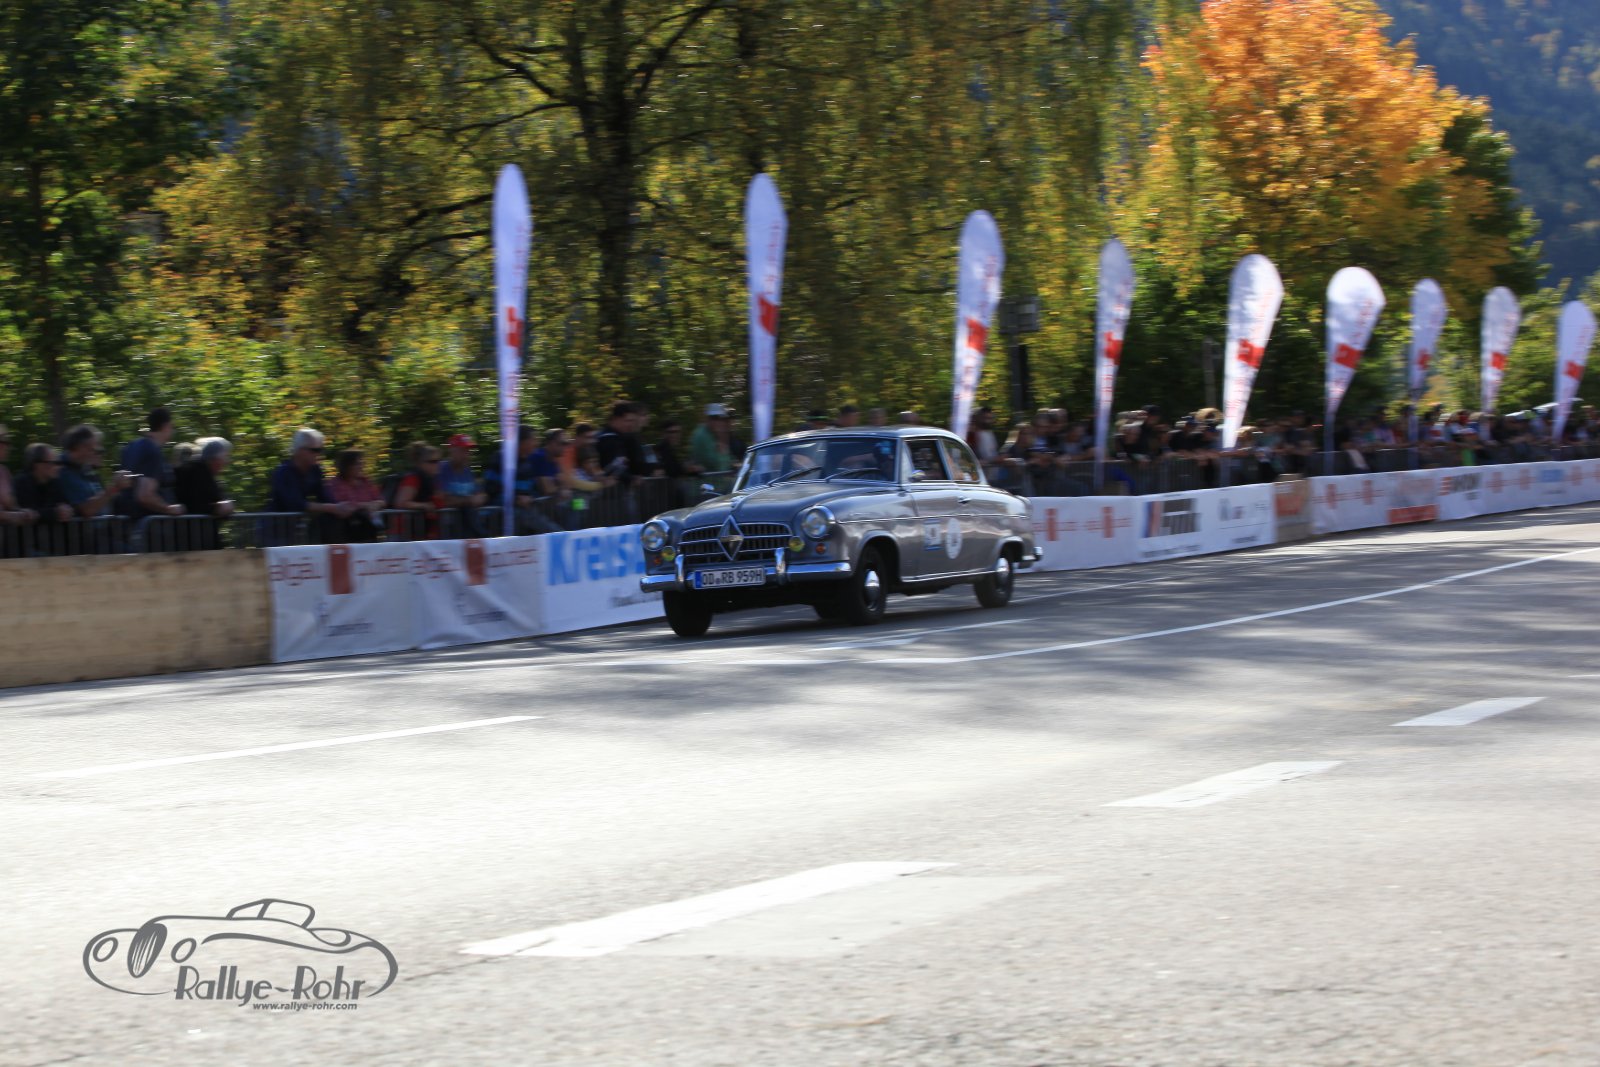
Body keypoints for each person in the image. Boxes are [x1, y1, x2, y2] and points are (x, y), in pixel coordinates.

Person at [267, 428, 351, 541]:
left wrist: (341, 507)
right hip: (273, 530)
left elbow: (325, 497)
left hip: (295, 531)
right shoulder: (283, 473)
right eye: (315, 450)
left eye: (321, 450)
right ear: (300, 450)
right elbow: (296, 504)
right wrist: (331, 508)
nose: (319, 454)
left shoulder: (315, 471)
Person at [117, 406, 184, 518]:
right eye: (172, 426)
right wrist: (169, 509)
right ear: (166, 426)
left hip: (128, 520)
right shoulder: (152, 450)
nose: (173, 431)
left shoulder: (131, 446)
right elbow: (145, 496)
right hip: (149, 524)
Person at [172, 438, 236, 549]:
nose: (227, 462)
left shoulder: (205, 472)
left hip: (199, 538)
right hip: (195, 540)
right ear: (216, 459)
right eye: (225, 457)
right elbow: (196, 504)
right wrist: (217, 508)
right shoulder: (198, 471)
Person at [58, 424, 131, 519]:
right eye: (94, 448)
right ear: (80, 447)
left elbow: (101, 500)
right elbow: (87, 510)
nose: (100, 450)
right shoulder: (63, 472)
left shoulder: (86, 469)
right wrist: (114, 487)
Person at [326, 449, 385, 542]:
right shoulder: (335, 484)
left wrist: (376, 504)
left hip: (367, 531)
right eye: (357, 464)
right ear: (346, 465)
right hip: (344, 533)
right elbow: (342, 505)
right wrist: (366, 505)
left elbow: (381, 500)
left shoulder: (365, 481)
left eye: (362, 463)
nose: (361, 467)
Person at [0, 425, 33, 529]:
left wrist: (24, 512)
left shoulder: (4, 471)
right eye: (5, 443)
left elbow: (12, 505)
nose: (8, 447)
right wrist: (9, 516)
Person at [690, 404, 737, 473]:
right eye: (715, 418)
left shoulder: (712, 432)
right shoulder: (702, 435)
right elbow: (715, 464)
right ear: (708, 419)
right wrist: (724, 453)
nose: (719, 422)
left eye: (721, 419)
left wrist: (732, 461)